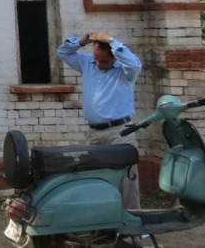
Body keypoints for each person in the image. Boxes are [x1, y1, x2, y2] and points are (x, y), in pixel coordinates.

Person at [58, 30, 143, 211]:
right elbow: (63, 53)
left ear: (114, 57)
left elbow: (135, 64)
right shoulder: (88, 63)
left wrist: (112, 41)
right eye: (95, 58)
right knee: (96, 177)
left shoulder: (126, 71)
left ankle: (132, 223)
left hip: (120, 133)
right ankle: (104, 219)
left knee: (127, 180)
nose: (98, 63)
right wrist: (81, 42)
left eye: (103, 61)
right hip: (95, 133)